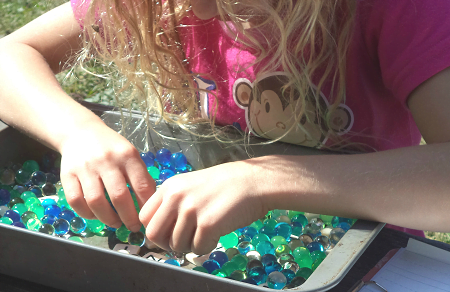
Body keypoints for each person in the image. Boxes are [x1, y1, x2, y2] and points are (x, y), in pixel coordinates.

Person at [0, 0, 449, 256]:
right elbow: (10, 54)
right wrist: (77, 131)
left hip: (363, 271)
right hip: (204, 257)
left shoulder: (401, 9)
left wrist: (265, 178)